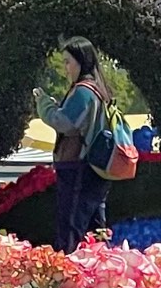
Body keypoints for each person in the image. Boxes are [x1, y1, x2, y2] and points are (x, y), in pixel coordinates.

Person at [42, 38, 113, 250]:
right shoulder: (99, 89)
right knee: (96, 231)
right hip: (95, 169)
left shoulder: (83, 91)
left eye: (68, 62)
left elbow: (63, 122)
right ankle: (102, 276)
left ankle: (67, 279)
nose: (65, 68)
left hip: (78, 168)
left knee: (70, 229)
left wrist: (44, 105)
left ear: (81, 62)